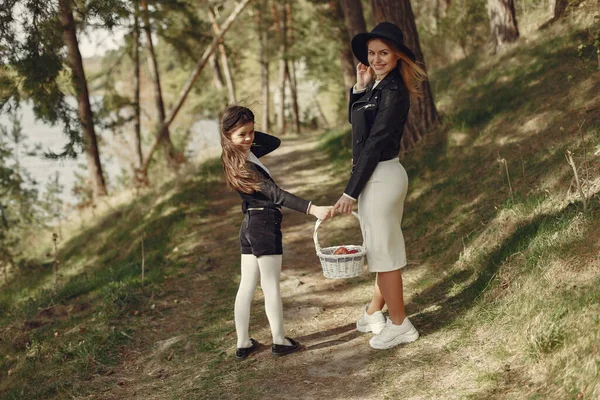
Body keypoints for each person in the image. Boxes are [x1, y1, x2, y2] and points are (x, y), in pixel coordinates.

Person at [331, 22, 426, 350]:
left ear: (398, 55)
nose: (376, 59)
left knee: (384, 255)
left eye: (383, 53)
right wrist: (359, 88)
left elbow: (373, 143)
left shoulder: (394, 92)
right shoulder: (377, 86)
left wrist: (349, 191)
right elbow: (356, 125)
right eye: (372, 53)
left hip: (382, 176)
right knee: (380, 249)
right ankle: (374, 313)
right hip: (377, 177)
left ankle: (400, 324)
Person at [220, 105, 331, 360]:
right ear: (227, 136)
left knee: (247, 285)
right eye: (241, 134)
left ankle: (243, 343)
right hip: (264, 224)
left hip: (249, 224)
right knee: (269, 285)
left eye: (251, 132)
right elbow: (276, 195)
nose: (249, 138)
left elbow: (274, 142)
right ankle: (280, 341)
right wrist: (312, 208)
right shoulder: (245, 166)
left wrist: (245, 130)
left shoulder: (240, 156)